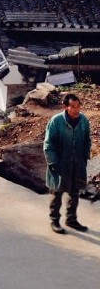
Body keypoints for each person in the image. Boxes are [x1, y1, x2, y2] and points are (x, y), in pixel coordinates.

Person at [43, 92, 92, 234]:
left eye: (78, 106)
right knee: (57, 194)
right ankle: (54, 221)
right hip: (60, 164)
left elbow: (87, 140)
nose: (77, 109)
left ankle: (71, 220)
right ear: (66, 107)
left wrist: (84, 157)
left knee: (75, 193)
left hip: (77, 164)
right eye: (73, 107)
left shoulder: (83, 120)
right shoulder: (56, 121)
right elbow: (48, 144)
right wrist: (54, 163)